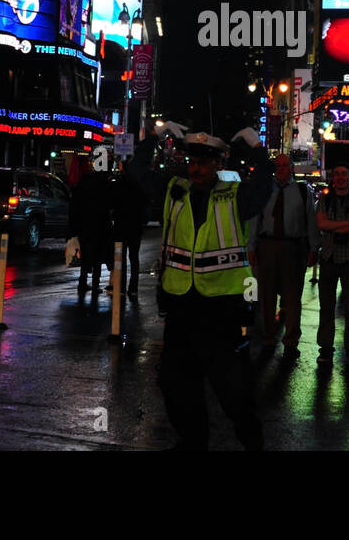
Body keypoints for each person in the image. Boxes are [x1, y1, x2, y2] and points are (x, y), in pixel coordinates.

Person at [129, 123, 271, 451]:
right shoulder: (173, 189)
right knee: (176, 383)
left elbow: (265, 185)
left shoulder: (235, 195)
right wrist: (154, 135)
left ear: (217, 164)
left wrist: (256, 147)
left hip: (223, 308)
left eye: (205, 162)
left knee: (233, 388)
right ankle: (193, 441)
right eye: (193, 161)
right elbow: (137, 173)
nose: (197, 168)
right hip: (181, 306)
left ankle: (252, 439)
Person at [247, 154, 317, 360]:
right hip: (267, 245)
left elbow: (311, 221)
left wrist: (314, 247)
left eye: (284, 165)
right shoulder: (265, 190)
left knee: (293, 297)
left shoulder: (303, 191)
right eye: (277, 166)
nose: (280, 169)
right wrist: (251, 246)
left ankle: (291, 341)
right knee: (266, 296)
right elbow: (255, 219)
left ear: (292, 168)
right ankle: (268, 339)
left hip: (293, 247)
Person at [315, 163, 349, 368]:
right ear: (332, 177)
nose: (340, 177)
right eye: (336, 173)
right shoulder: (325, 199)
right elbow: (321, 225)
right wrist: (347, 225)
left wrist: (333, 226)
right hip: (329, 257)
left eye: (344, 174)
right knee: (326, 307)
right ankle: (325, 349)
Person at [111, 158, 149, 295]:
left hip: (121, 227)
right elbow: (144, 205)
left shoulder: (119, 184)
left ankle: (120, 287)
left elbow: (112, 203)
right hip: (135, 227)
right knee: (134, 258)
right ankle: (133, 288)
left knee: (120, 258)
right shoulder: (139, 186)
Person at [72, 166, 113, 293]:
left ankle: (82, 282)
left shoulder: (84, 189)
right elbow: (108, 210)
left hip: (86, 228)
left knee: (86, 257)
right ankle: (95, 284)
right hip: (100, 229)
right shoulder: (104, 189)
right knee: (97, 259)